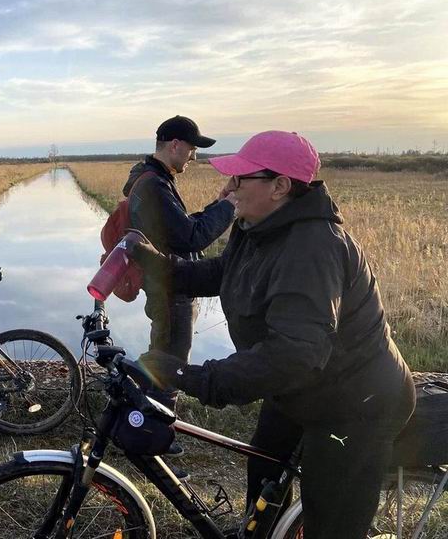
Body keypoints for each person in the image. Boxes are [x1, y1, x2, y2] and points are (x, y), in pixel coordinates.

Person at [128, 130, 415, 539]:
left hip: (354, 403)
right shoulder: (256, 226)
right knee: (264, 468)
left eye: (240, 179)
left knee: (330, 521)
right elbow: (220, 272)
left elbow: (294, 353)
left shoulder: (313, 248)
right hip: (300, 388)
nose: (228, 187)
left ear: (280, 186)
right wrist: (155, 265)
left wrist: (194, 377)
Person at [123, 115, 234, 404]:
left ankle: (143, 425)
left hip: (165, 283)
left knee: (160, 358)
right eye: (192, 148)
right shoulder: (154, 186)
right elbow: (191, 237)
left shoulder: (151, 179)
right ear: (175, 145)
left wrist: (220, 204)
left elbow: (180, 229)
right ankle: (155, 434)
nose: (194, 156)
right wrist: (230, 208)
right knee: (171, 364)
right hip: (171, 287)